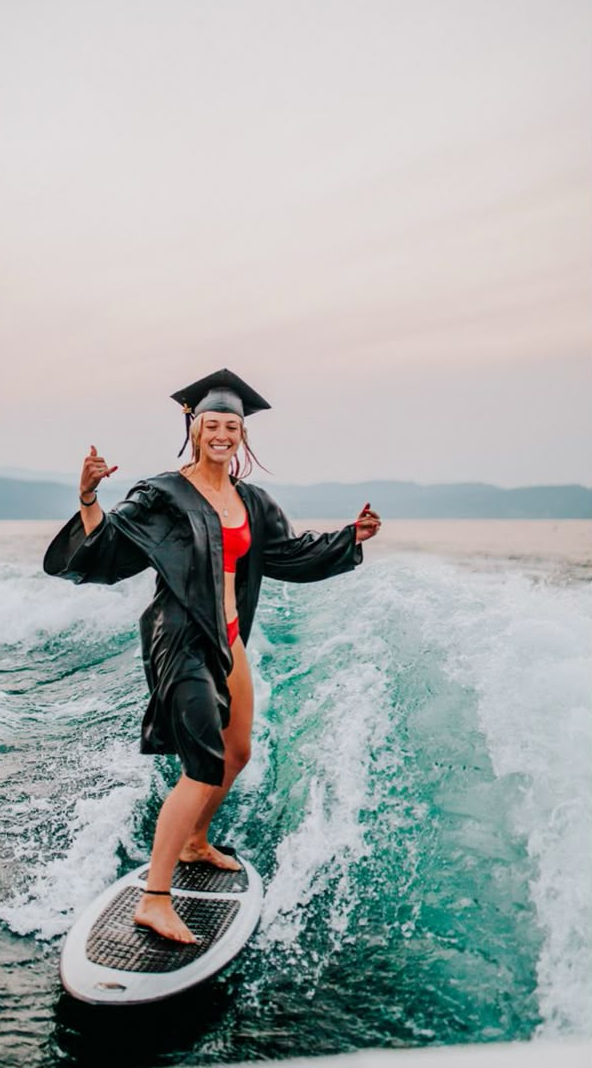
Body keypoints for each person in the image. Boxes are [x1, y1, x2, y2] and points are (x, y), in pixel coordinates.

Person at [43, 368, 381, 943]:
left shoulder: (251, 500)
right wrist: (87, 496)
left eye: (232, 426)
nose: (222, 433)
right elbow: (110, 548)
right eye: (211, 424)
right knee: (201, 767)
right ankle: (155, 897)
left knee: (237, 752)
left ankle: (197, 842)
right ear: (193, 429)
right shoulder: (164, 495)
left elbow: (289, 555)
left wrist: (350, 538)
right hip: (181, 637)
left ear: (242, 435)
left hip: (229, 639)